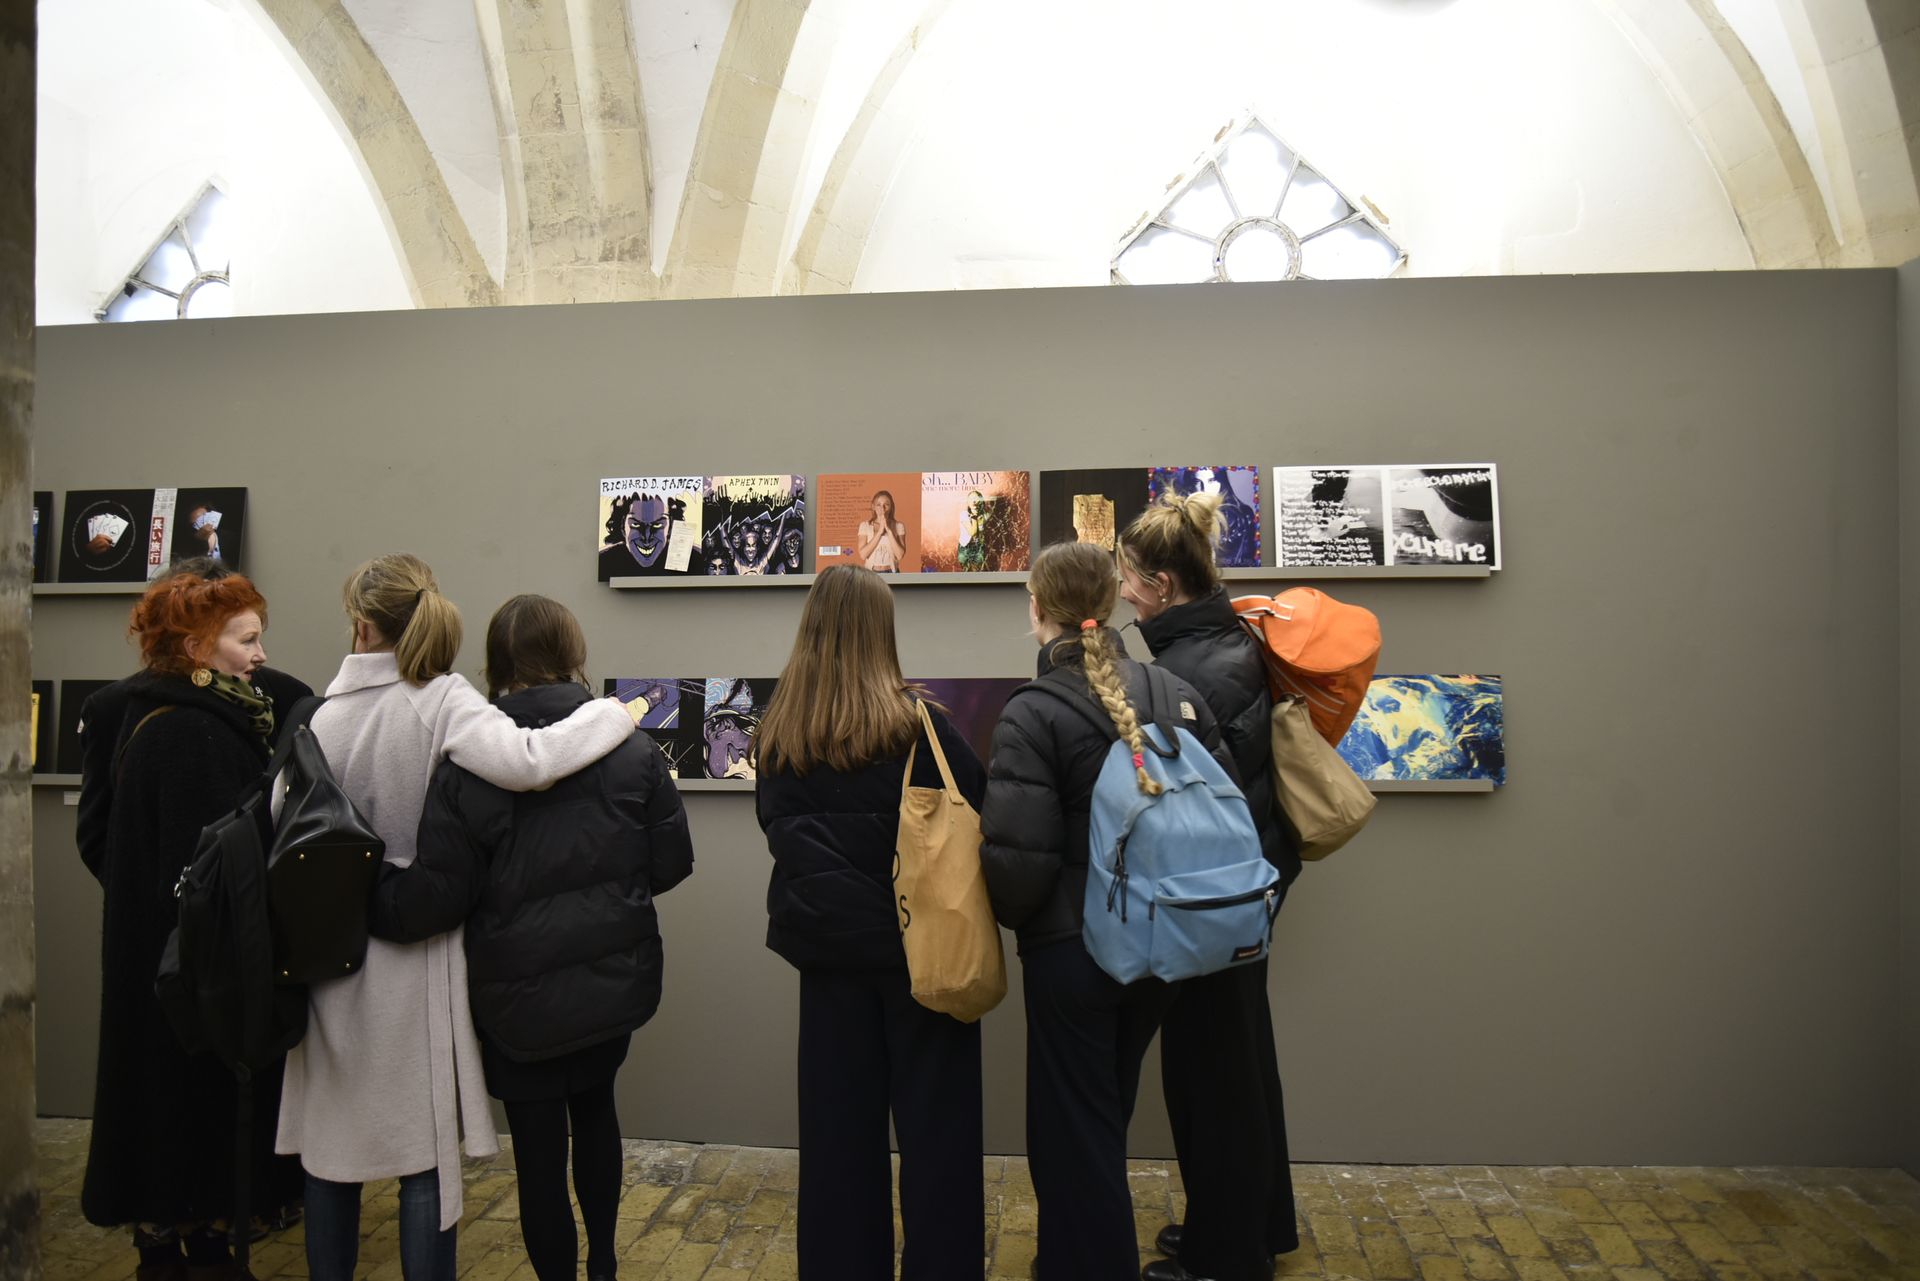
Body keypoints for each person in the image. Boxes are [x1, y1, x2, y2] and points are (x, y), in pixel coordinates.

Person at [274, 554, 648, 1281]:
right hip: (415, 958)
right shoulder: (441, 700)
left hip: (326, 957)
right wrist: (610, 711)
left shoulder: (316, 714)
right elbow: (532, 759)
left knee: (330, 1155)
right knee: (425, 1157)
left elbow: (279, 825)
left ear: (360, 622)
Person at [364, 594, 695, 1281]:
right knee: (597, 1114)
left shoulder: (465, 766)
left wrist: (364, 895)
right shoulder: (631, 750)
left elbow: (438, 896)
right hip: (611, 985)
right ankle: (603, 1262)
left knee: (539, 1154)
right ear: (572, 651)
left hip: (514, 1001)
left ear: (497, 662)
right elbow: (672, 862)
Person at [978, 541, 1235, 1280]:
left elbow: (1017, 865)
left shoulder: (1033, 711)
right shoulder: (1175, 691)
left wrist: (1019, 918)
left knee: (1076, 1132)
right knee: (1102, 1114)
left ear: (1037, 609)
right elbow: (1226, 813)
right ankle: (1067, 1256)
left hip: (1075, 953)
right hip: (1170, 945)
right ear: (1115, 602)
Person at [755, 565, 987, 1281]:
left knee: (836, 1146)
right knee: (940, 1142)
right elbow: (974, 814)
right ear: (881, 631)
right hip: (925, 959)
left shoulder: (779, 734)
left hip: (828, 963)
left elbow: (780, 833)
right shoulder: (922, 725)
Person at [81, 572, 305, 1281]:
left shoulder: (172, 717)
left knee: (165, 1117)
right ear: (196, 646)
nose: (260, 653)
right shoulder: (194, 734)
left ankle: (181, 1241)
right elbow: (209, 874)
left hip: (164, 968)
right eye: (246, 639)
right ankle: (195, 1249)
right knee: (189, 1119)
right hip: (192, 979)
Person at [1118, 494, 1302, 1281]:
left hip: (1216, 898)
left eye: (1129, 575)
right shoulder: (1227, 642)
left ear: (1161, 582)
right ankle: (1253, 1225)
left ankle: (1228, 1256)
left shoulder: (1188, 668)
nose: (1121, 589)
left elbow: (1197, 805)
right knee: (1241, 1058)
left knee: (1212, 1072)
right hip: (1247, 887)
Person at [75, 557, 313, 885]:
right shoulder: (114, 707)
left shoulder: (288, 696)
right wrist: (149, 899)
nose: (260, 653)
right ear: (192, 642)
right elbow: (99, 832)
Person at [857, 490, 907, 572]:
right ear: (873, 507)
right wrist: (880, 532)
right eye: (878, 505)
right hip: (871, 573)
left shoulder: (899, 526)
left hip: (892, 572)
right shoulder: (865, 526)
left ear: (891, 507)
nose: (882, 508)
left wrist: (889, 530)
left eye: (886, 505)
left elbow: (899, 555)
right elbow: (863, 555)